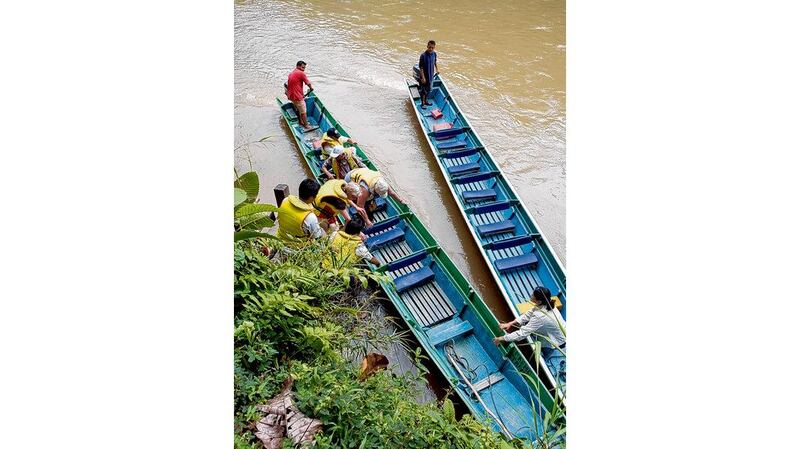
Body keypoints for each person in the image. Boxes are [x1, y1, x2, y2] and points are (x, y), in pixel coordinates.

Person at [492, 287, 566, 383]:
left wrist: (501, 338)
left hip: (558, 347)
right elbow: (529, 313)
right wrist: (511, 323)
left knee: (554, 371)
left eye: (532, 296)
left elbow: (521, 334)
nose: (530, 296)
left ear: (539, 301)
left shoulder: (540, 317)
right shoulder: (548, 304)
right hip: (563, 336)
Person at [286, 61, 314, 131]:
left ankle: (300, 122)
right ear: (298, 66)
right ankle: (306, 125)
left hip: (291, 95)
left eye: (304, 68)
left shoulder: (292, 73)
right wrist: (311, 88)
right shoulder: (301, 73)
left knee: (298, 108)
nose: (303, 69)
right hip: (297, 96)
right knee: (303, 111)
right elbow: (308, 83)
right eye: (302, 67)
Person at [418, 40, 439, 109]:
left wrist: (437, 69)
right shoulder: (423, 56)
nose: (431, 49)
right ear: (427, 46)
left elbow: (435, 62)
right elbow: (421, 67)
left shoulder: (434, 54)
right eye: (429, 47)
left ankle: (426, 101)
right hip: (424, 76)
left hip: (431, 76)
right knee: (423, 91)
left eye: (432, 48)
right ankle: (422, 103)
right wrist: (423, 78)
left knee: (428, 89)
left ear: (434, 47)